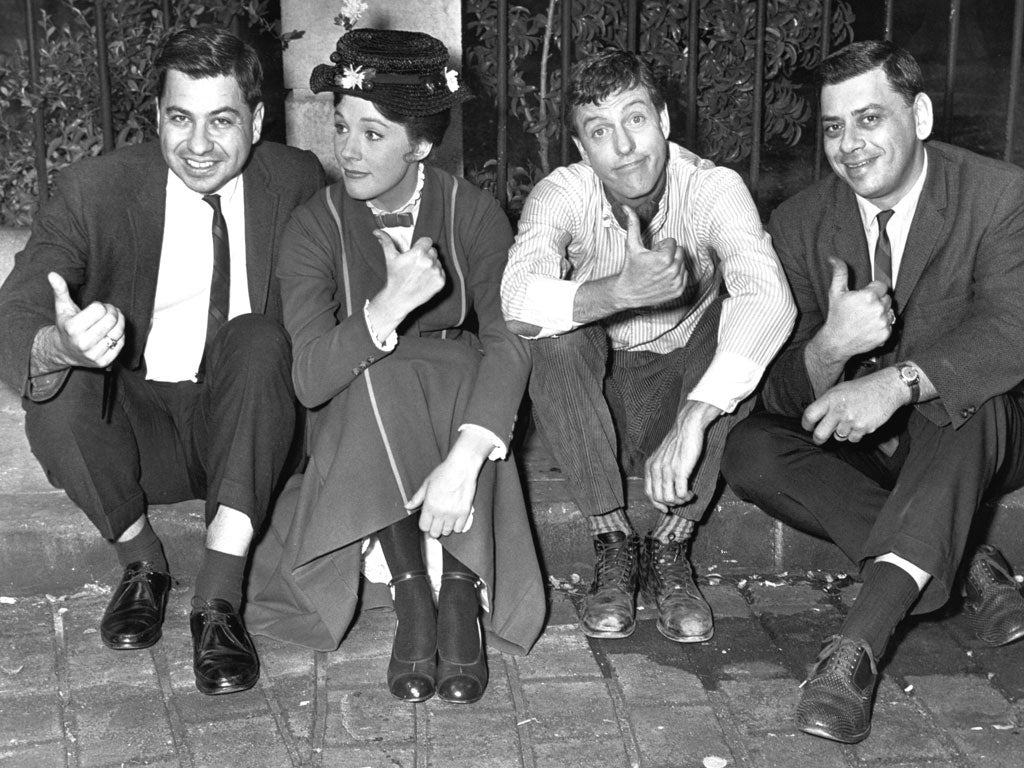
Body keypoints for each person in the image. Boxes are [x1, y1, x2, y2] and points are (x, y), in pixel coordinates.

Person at [0, 27, 325, 695]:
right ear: (157, 117)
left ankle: (218, 598)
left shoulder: (295, 180)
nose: (198, 145)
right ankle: (142, 561)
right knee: (56, 381)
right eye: (180, 119)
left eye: (221, 121)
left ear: (257, 120)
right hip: (138, 431)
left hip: (247, 427)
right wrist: (59, 346)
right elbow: (18, 309)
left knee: (261, 336)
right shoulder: (95, 189)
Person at [722, 40, 1024, 744]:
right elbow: (773, 389)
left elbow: (1013, 329)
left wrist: (898, 381)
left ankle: (855, 648)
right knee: (750, 452)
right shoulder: (800, 223)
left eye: (869, 120)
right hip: (876, 454)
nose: (850, 146)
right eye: (834, 127)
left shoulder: (998, 195)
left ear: (917, 115)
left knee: (964, 406)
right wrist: (832, 346)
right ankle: (958, 553)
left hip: (989, 433)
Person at [243, 28, 544, 705]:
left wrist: (465, 461)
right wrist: (383, 310)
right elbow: (311, 378)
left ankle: (459, 592)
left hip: (452, 412)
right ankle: (413, 592)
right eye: (342, 126)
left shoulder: (473, 212)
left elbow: (509, 339)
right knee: (375, 371)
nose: (347, 149)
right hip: (355, 415)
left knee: (473, 365)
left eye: (373, 134)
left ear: (423, 145)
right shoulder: (314, 225)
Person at [500, 49, 795, 645]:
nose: (625, 147)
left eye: (635, 119)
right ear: (582, 150)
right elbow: (516, 301)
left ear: (663, 120)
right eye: (600, 131)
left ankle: (670, 549)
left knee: (738, 326)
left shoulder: (714, 188)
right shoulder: (562, 194)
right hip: (597, 405)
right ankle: (611, 541)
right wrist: (614, 292)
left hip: (681, 400)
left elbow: (770, 299)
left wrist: (696, 415)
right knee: (554, 330)